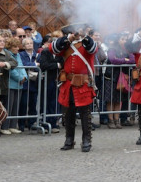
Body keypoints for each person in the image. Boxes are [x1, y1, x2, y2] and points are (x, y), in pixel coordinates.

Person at [50, 24, 97, 152]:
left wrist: (84, 36)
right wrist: (68, 39)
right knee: (68, 113)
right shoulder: (65, 44)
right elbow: (53, 48)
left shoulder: (87, 43)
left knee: (85, 114)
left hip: (82, 83)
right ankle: (69, 140)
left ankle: (86, 140)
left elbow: (93, 49)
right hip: (68, 84)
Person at [105, 33, 134, 130]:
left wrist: (122, 60)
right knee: (110, 100)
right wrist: (125, 60)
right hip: (111, 77)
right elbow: (113, 59)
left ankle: (117, 120)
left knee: (119, 100)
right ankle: (111, 120)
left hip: (121, 78)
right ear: (118, 40)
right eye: (122, 39)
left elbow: (133, 60)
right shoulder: (112, 49)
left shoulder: (127, 50)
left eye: (125, 39)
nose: (125, 41)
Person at [6, 37, 27, 134]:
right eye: (15, 47)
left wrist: (25, 77)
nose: (17, 49)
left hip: (20, 84)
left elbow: (22, 66)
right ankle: (5, 126)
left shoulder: (17, 55)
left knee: (16, 106)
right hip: (11, 83)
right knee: (9, 106)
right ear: (10, 47)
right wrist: (20, 78)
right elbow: (11, 69)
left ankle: (13, 125)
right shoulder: (7, 54)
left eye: (18, 47)